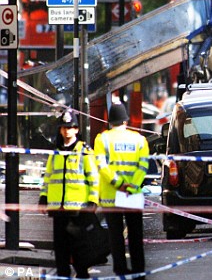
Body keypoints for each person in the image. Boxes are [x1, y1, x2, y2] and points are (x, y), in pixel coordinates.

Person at [39, 110, 99, 279]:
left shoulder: (84, 151)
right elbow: (49, 177)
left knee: (79, 248)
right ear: (60, 130)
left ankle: (82, 275)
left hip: (77, 208)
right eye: (64, 127)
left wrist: (93, 200)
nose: (67, 131)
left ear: (77, 129)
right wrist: (43, 197)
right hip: (58, 208)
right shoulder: (56, 152)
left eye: (70, 127)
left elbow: (93, 177)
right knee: (60, 249)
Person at [94, 102, 149, 280]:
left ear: (110, 122)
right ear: (126, 120)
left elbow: (101, 166)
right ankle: (139, 269)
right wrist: (131, 185)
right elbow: (143, 166)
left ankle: (121, 270)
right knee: (135, 234)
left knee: (116, 235)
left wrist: (118, 183)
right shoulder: (139, 139)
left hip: (111, 195)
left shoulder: (101, 139)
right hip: (132, 194)